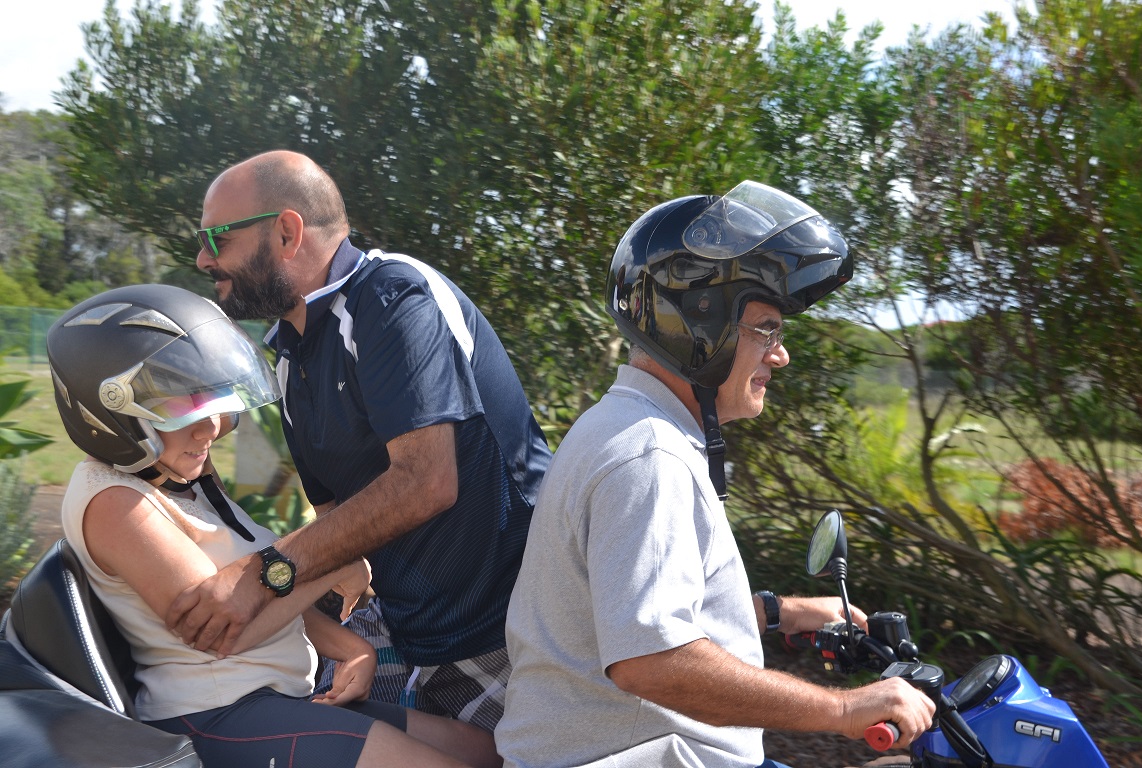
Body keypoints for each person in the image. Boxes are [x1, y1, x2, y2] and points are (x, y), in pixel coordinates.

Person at [496, 182, 937, 768]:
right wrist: (844, 709)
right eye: (767, 329)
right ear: (702, 325)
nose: (780, 354)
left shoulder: (626, 427)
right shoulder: (650, 457)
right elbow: (651, 661)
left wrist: (780, 612)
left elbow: (634, 611)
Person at [168, 150, 552, 733]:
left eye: (216, 238)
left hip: (513, 635)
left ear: (287, 233)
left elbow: (426, 482)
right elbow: (337, 525)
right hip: (411, 634)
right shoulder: (290, 358)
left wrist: (259, 576)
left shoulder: (391, 297)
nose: (203, 259)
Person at [46, 284, 499, 768]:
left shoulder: (185, 477)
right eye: (181, 407)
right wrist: (332, 562)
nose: (211, 428)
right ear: (108, 410)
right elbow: (224, 631)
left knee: (487, 752)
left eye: (212, 399)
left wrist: (352, 649)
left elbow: (255, 596)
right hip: (216, 710)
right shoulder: (114, 502)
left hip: (276, 696)